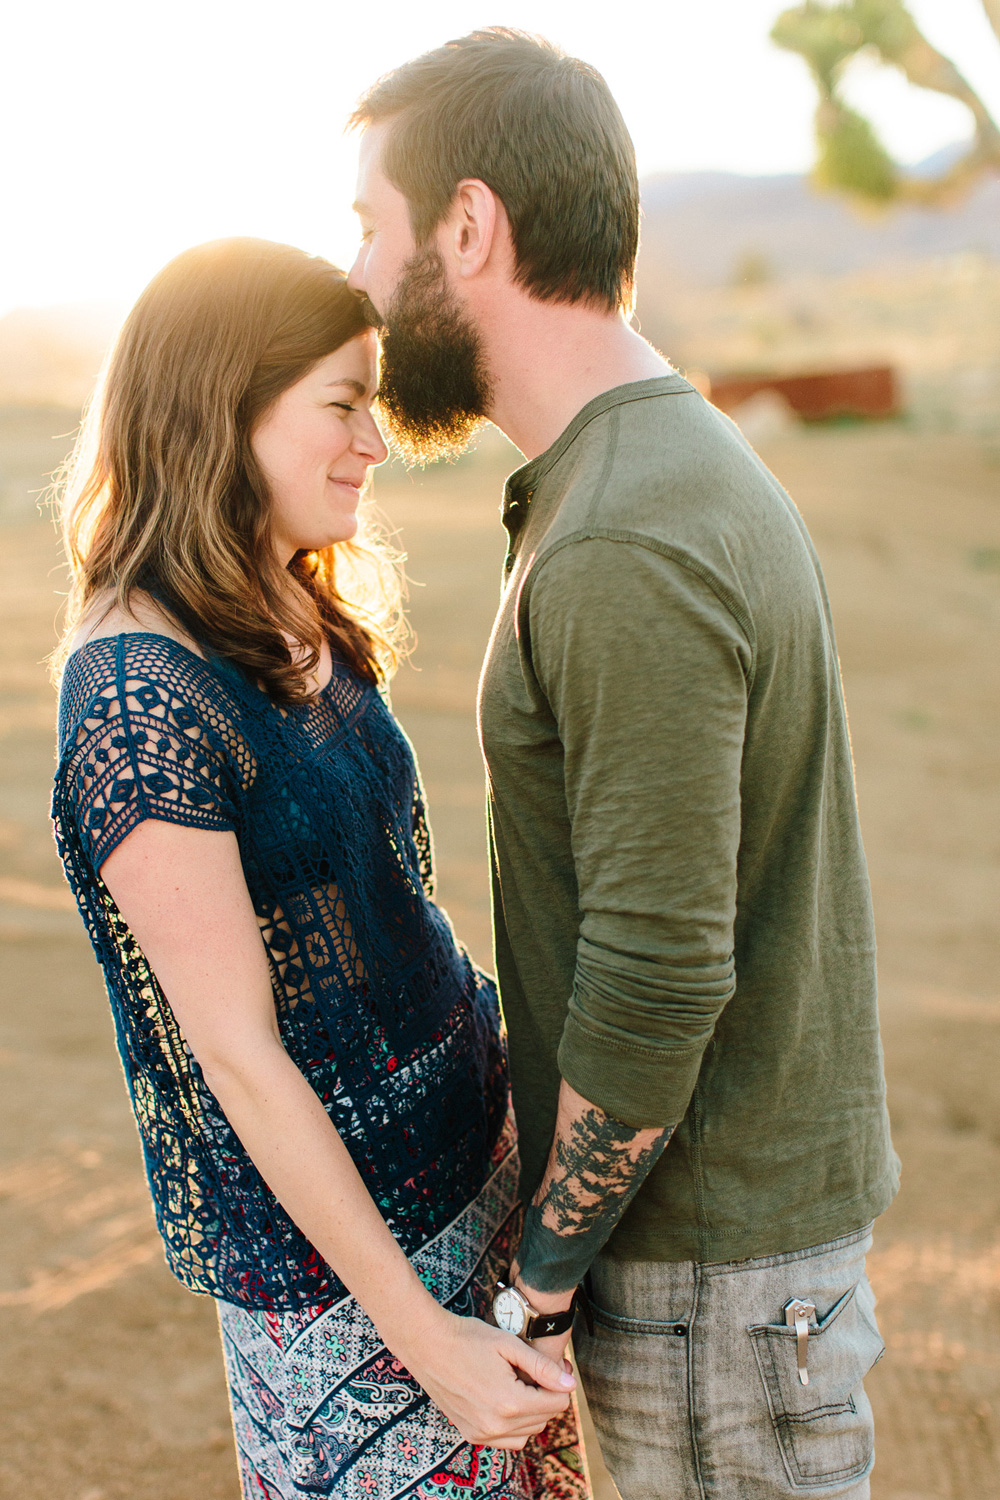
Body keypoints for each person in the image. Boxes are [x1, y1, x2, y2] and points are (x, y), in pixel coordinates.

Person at [347, 29, 900, 1500]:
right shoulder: (643, 472)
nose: (354, 278)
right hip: (727, 1270)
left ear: (467, 226)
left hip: (709, 1289)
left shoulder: (625, 535)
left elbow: (659, 966)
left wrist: (537, 1287)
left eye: (367, 227)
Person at [50, 236, 591, 1500]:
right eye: (342, 406)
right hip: (351, 1297)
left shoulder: (283, 600)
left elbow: (390, 916)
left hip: (476, 1188)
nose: (375, 441)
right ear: (216, 412)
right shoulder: (137, 699)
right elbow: (240, 1055)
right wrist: (425, 1344)